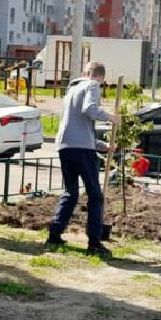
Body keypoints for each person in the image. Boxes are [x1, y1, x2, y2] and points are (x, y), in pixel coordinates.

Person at [46, 61, 116, 257]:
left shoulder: (72, 90)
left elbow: (79, 125)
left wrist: (103, 147)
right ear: (98, 77)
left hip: (65, 147)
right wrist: (111, 117)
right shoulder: (92, 85)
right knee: (95, 195)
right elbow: (90, 109)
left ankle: (54, 233)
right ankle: (94, 242)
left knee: (71, 192)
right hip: (82, 150)